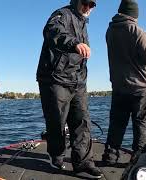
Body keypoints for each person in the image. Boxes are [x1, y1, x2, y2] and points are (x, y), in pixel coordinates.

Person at [36, 0, 102, 178]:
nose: (88, 8)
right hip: (54, 79)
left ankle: (83, 162)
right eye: (85, 3)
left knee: (82, 120)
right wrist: (74, 43)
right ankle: (56, 154)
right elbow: (52, 31)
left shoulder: (83, 23)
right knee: (57, 121)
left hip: (78, 81)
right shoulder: (62, 14)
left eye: (92, 5)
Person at [102, 0, 146, 165]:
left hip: (118, 87)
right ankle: (139, 159)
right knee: (140, 125)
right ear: (134, 15)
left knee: (116, 125)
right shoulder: (139, 32)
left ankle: (110, 156)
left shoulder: (109, 31)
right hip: (138, 89)